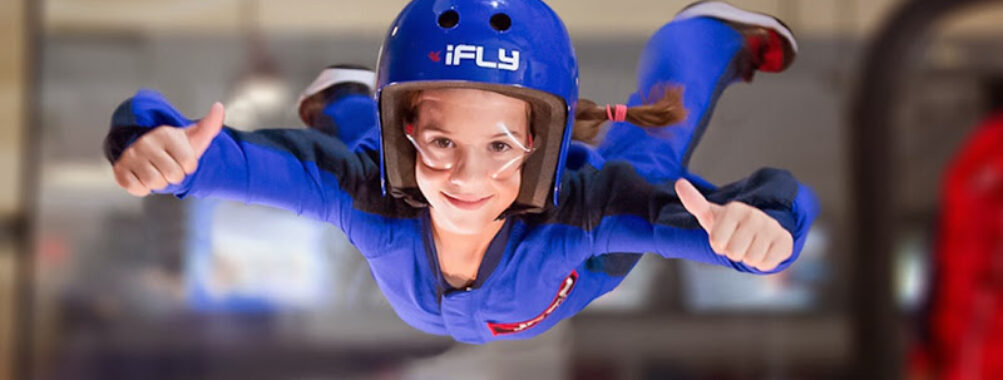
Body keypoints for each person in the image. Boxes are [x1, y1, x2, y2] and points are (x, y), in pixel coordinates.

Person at [103, 0, 819, 344]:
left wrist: (763, 231)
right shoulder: (375, 188)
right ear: (407, 125)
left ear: (541, 144)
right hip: (407, 217)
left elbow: (747, 217)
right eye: (442, 141)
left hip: (581, 265)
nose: (466, 180)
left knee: (653, 159)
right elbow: (224, 162)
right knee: (371, 167)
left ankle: (696, 37)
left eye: (502, 147)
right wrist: (156, 149)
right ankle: (351, 102)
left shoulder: (588, 209)